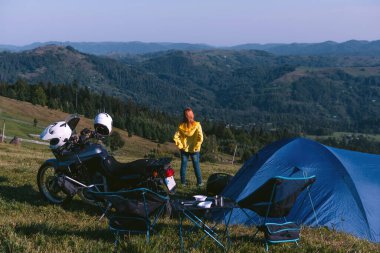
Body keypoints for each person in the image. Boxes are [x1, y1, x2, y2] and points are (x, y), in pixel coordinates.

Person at [173, 108, 204, 186]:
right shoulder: (197, 125)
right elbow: (201, 137)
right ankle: (199, 183)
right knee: (196, 166)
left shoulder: (181, 126)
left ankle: (183, 183)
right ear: (191, 115)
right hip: (195, 149)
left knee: (183, 165)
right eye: (192, 113)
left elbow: (175, 137)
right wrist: (197, 146)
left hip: (184, 149)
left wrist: (180, 145)